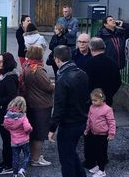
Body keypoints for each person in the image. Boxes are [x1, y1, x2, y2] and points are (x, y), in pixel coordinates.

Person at [48, 45, 89, 177]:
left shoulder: (62, 79)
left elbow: (59, 107)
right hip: (81, 120)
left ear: (57, 59)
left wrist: (52, 128)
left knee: (66, 159)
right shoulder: (82, 73)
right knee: (71, 153)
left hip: (68, 124)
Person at [19, 45, 53, 167]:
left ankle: (33, 155)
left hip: (31, 103)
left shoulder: (26, 66)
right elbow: (48, 87)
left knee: (33, 133)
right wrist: (54, 84)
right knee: (40, 134)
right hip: (41, 104)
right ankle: (36, 158)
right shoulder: (37, 69)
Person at [0, 52, 19, 175]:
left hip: (7, 113)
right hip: (3, 111)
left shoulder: (9, 77)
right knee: (5, 139)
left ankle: (9, 164)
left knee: (7, 139)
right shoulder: (6, 75)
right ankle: (6, 161)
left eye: (2, 62)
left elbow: (12, 96)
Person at [83, 89, 115, 177]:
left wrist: (111, 133)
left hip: (103, 135)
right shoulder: (91, 107)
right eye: (92, 100)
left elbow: (111, 121)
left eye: (95, 100)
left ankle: (102, 170)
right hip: (93, 133)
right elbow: (89, 120)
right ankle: (97, 166)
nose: (93, 102)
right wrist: (87, 129)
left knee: (101, 152)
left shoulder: (107, 109)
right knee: (94, 151)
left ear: (102, 99)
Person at [84, 38, 122, 107]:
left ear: (91, 48)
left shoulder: (89, 63)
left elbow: (86, 83)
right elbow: (118, 82)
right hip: (107, 99)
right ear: (104, 47)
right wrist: (110, 93)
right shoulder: (113, 62)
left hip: (92, 100)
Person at [3, 97, 33, 177]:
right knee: (27, 155)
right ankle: (22, 169)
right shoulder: (23, 117)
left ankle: (15, 174)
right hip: (24, 141)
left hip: (14, 141)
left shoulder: (7, 116)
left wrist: (11, 130)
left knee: (15, 158)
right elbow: (27, 128)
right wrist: (30, 130)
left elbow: (5, 126)